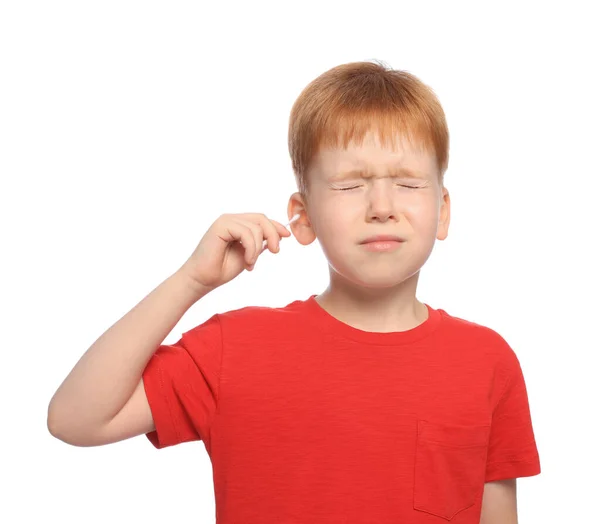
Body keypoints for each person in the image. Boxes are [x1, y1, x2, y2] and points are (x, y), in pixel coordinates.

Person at [47, 60, 541, 523]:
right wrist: (190, 282)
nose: (382, 206)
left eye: (408, 183)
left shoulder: (487, 361)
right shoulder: (234, 348)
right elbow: (76, 419)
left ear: (443, 210)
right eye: (350, 185)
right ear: (302, 217)